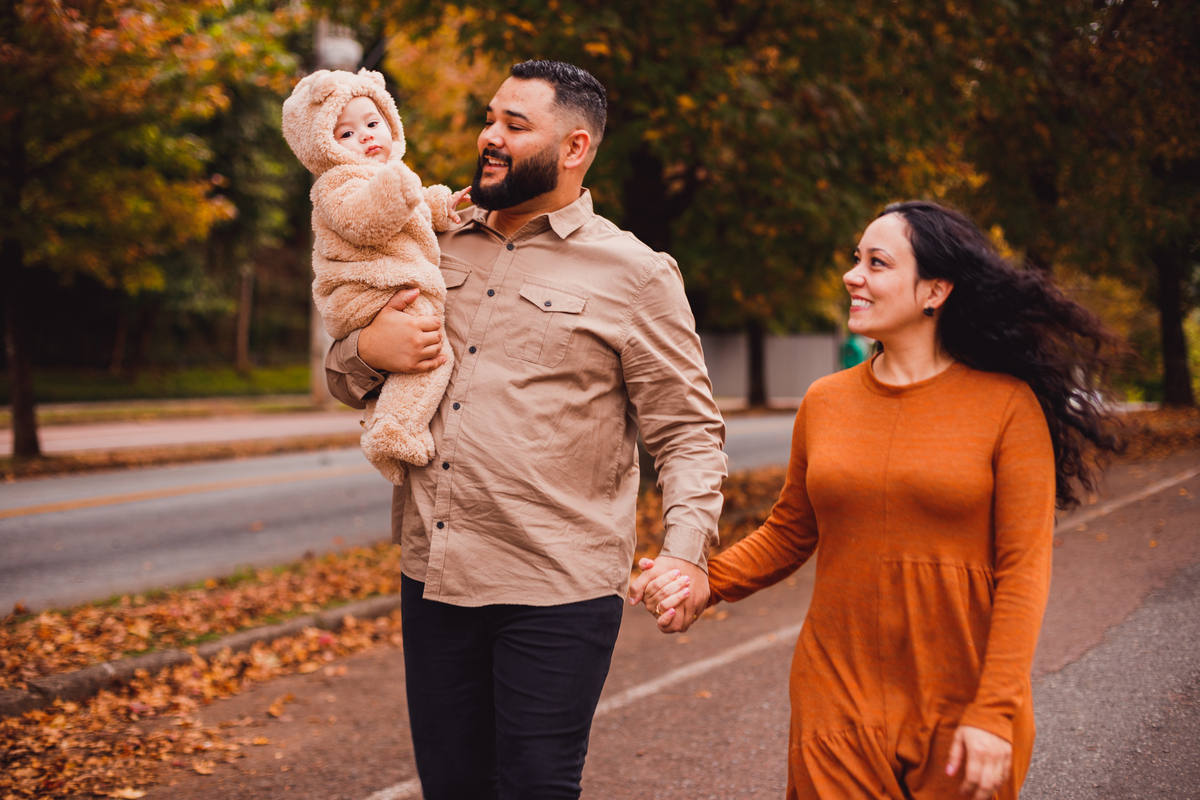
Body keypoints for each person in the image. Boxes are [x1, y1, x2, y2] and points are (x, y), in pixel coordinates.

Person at [324, 60, 728, 799]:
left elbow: (688, 431)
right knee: (454, 788)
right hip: (435, 574)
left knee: (536, 788)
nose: (490, 137)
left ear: (574, 148)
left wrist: (687, 553)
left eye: (515, 125)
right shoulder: (430, 241)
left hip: (558, 586)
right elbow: (346, 374)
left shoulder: (636, 273)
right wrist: (367, 352)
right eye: (489, 119)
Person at [633, 201, 1122, 800]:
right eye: (855, 259)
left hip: (963, 699)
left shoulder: (1008, 406)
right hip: (836, 694)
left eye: (877, 263)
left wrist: (995, 710)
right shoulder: (826, 401)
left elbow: (1023, 572)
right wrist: (706, 582)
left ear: (935, 291)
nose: (852, 276)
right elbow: (790, 531)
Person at [282, 68, 467, 485]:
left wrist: (438, 204)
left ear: (390, 122)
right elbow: (363, 219)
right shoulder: (337, 184)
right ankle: (393, 429)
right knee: (434, 354)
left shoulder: (387, 178)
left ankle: (389, 420)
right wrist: (398, 191)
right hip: (363, 290)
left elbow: (414, 213)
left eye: (372, 123)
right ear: (323, 146)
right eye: (346, 133)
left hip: (386, 285)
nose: (365, 137)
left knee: (421, 355)